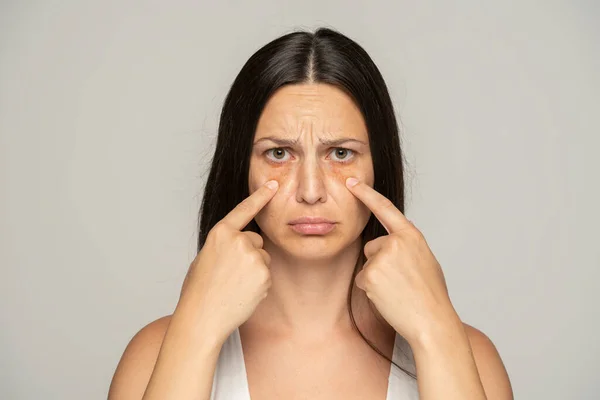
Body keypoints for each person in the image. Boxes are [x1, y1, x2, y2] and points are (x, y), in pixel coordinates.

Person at [108, 27, 513, 400]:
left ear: (379, 166)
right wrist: (195, 329)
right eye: (279, 154)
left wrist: (435, 331)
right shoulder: (154, 353)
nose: (311, 191)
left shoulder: (469, 356)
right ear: (240, 169)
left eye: (341, 153)